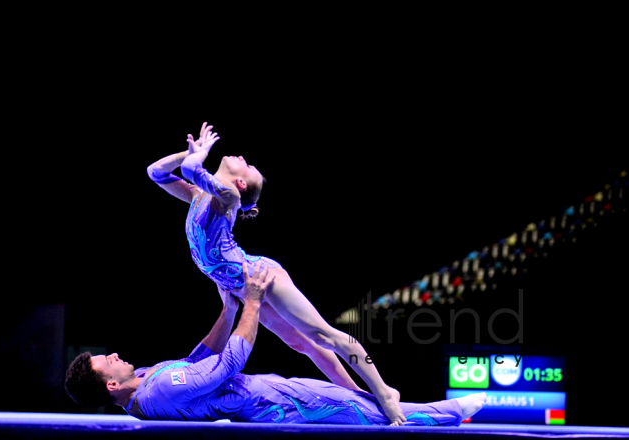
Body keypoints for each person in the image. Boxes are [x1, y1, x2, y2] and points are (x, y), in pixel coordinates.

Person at [146, 122, 409, 423]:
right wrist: (188, 153)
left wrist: (200, 154)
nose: (243, 158)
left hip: (262, 277)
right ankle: (359, 396)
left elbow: (193, 170)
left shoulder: (228, 197)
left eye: (248, 166)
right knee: (301, 343)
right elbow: (156, 172)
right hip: (243, 285)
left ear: (240, 184)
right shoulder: (198, 195)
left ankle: (384, 392)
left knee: (324, 335)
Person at [65, 262, 486, 425]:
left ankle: (404, 402)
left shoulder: (145, 380)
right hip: (273, 405)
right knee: (365, 412)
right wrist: (251, 301)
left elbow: (200, 356)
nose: (115, 355)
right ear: (111, 387)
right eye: (108, 362)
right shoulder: (159, 391)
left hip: (266, 394)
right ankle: (449, 413)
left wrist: (229, 311)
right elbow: (228, 363)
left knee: (346, 383)